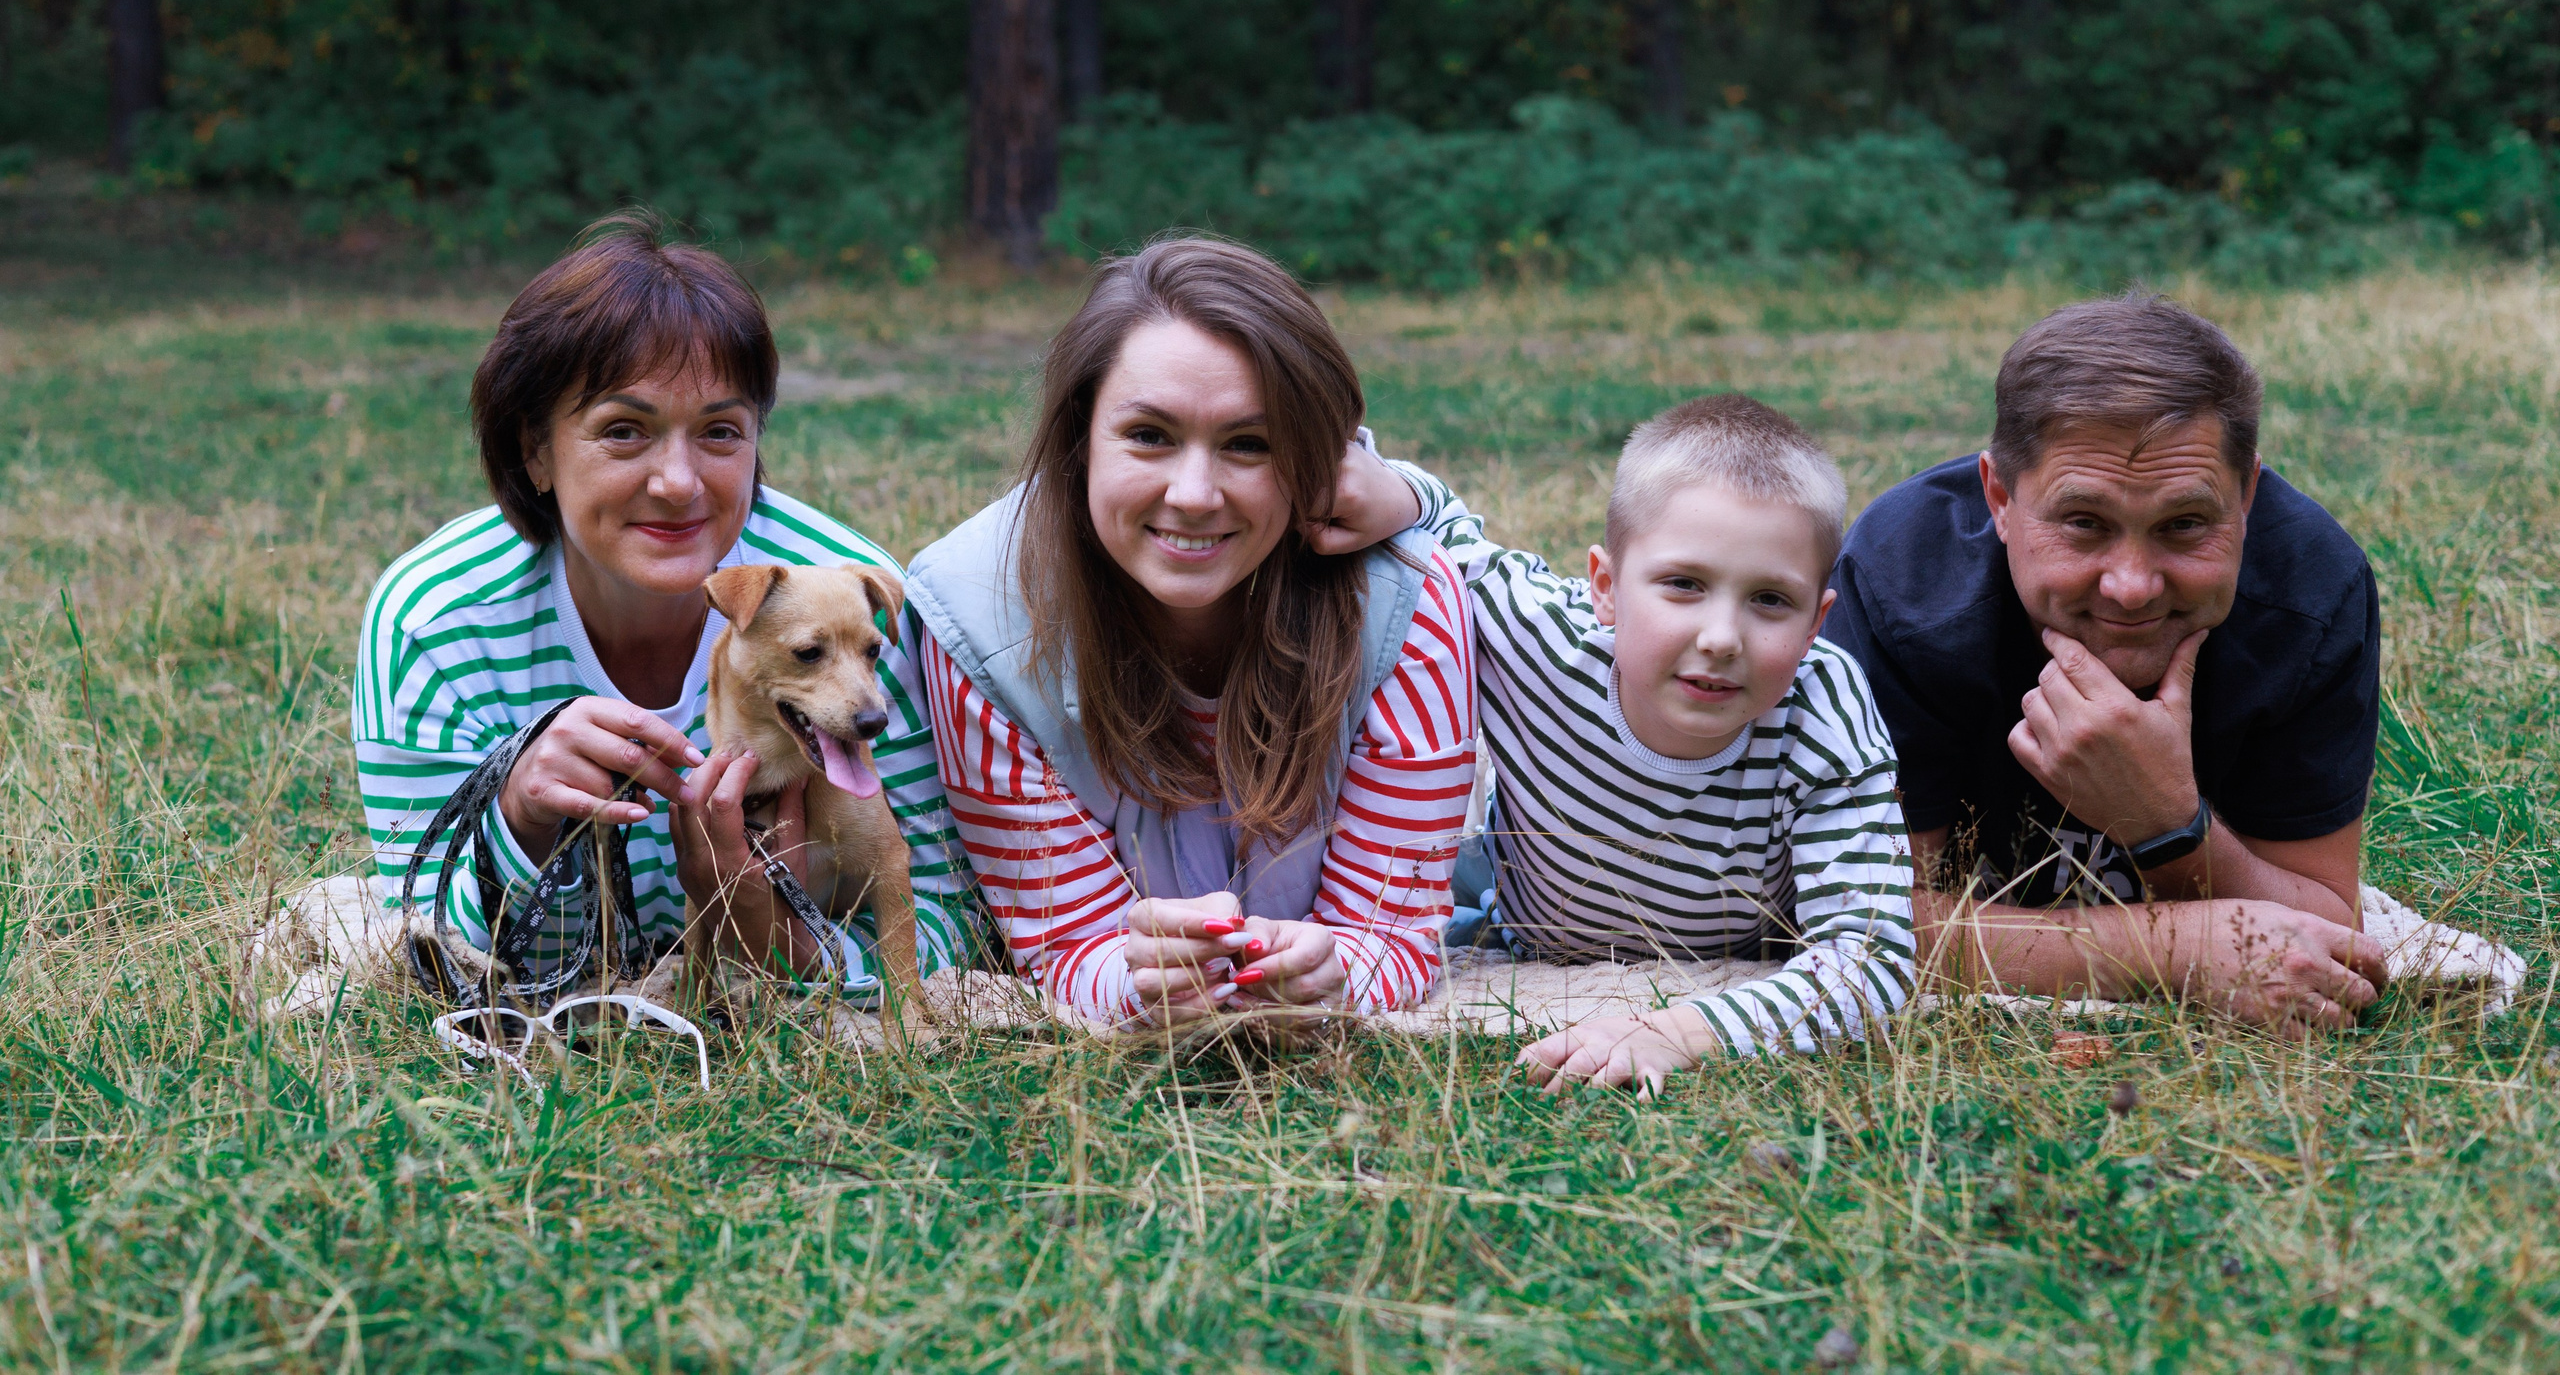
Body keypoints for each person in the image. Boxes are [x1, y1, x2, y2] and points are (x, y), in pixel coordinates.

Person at [354, 211, 982, 995]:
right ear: (534, 449)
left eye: (721, 431)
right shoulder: (435, 624)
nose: (679, 483)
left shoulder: (854, 611)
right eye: (624, 430)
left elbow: (953, 917)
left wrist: (778, 938)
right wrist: (522, 819)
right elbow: (424, 944)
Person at [901, 234, 1476, 1028]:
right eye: (1150, 436)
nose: (1195, 494)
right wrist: (1140, 985)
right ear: (1078, 441)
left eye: (1249, 444)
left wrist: (1333, 973)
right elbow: (1063, 941)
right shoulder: (973, 617)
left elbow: (1396, 935)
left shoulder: (1404, 603)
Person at [1824, 294, 2390, 1034]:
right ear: (1999, 497)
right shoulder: (1906, 585)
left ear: (2247, 495)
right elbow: (1866, 920)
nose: (2132, 586)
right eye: (2084, 523)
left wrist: (2167, 824)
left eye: (2184, 524)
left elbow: (2328, 934)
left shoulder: (2309, 592)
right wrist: (2171, 952)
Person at [1323, 395, 1913, 1094]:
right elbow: (1433, 520)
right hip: (1515, 913)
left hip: (1735, 951)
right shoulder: (1538, 636)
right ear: (1605, 588)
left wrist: (1680, 1032)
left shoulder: (1823, 708)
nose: (1721, 637)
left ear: (1817, 620)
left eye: (1769, 601)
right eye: (1683, 585)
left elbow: (1873, 955)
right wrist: (1393, 485)